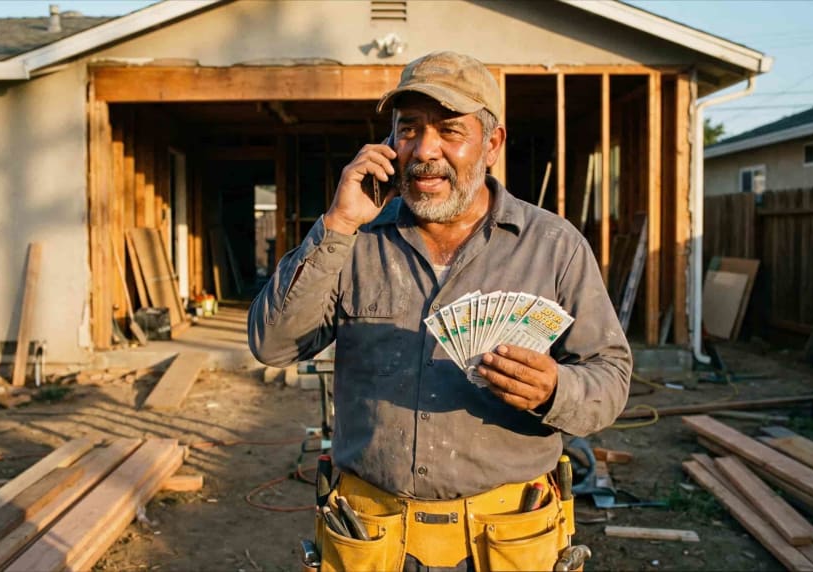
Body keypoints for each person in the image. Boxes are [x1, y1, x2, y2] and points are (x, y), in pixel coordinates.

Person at [248, 51, 631, 572]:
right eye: (408, 130)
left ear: (491, 144)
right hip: (370, 535)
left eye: (450, 131)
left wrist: (555, 390)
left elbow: (609, 377)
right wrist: (337, 224)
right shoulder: (352, 240)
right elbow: (272, 345)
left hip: (509, 537)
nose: (425, 150)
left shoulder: (554, 247)